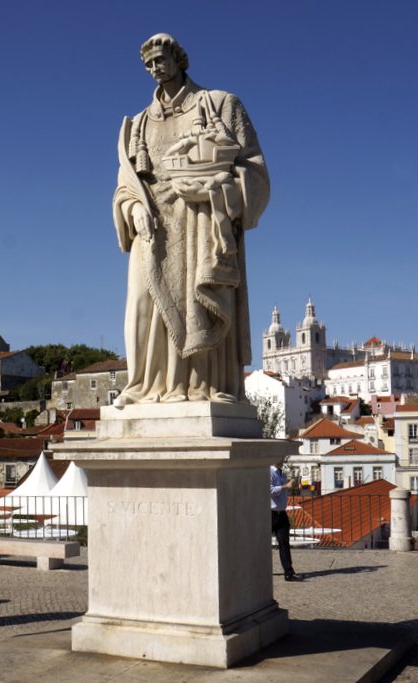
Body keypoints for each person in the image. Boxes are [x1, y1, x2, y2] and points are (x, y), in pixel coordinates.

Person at [113, 33, 270, 406]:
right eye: (148, 64)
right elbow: (124, 185)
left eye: (161, 59)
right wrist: (133, 208)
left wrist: (216, 189)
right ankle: (145, 386)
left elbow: (256, 171)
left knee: (196, 302)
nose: (155, 68)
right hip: (151, 225)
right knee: (140, 303)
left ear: (180, 59)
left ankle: (202, 386)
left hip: (200, 220)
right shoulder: (136, 125)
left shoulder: (219, 104)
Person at [270, 460, 301, 581]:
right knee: (261, 545)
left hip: (281, 513)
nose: (281, 460)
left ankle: (289, 572)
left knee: (284, 544)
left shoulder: (281, 474)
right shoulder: (269, 472)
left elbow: (282, 492)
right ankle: (257, 570)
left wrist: (290, 486)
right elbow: (269, 490)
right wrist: (285, 487)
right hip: (270, 513)